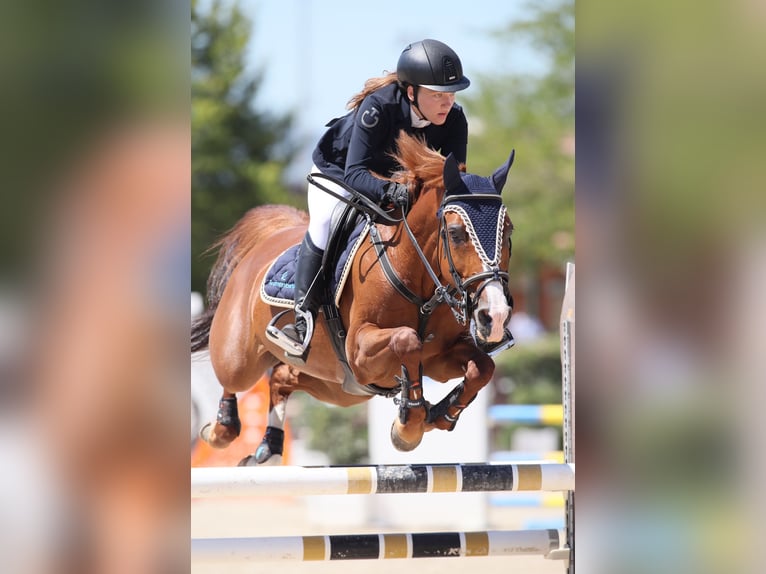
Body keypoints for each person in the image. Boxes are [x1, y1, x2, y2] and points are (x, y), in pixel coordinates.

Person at [269, 39, 471, 356]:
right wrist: (391, 191)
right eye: (437, 95)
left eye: (451, 94)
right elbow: (355, 174)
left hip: (396, 181)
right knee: (324, 223)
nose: (447, 103)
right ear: (411, 92)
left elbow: (452, 180)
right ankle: (301, 318)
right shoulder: (378, 108)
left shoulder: (455, 120)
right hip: (339, 172)